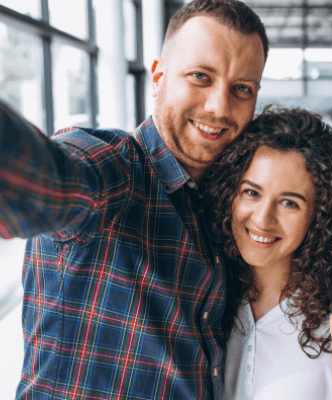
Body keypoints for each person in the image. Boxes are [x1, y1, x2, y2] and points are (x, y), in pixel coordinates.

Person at [0, 0, 268, 398]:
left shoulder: (226, 209)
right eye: (200, 76)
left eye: (241, 89)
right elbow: (46, 180)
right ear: (158, 76)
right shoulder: (115, 171)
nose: (219, 107)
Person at [202, 107, 332, 400]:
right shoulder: (202, 296)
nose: (262, 219)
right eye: (251, 193)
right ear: (229, 192)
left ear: (321, 216)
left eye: (289, 203)